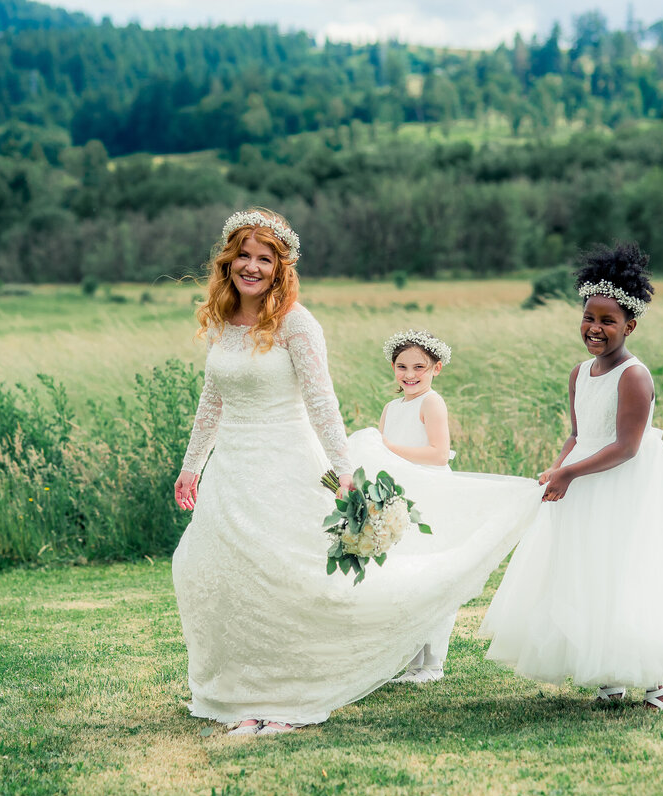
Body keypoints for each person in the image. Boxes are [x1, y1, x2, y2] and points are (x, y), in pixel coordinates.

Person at [171, 209, 542, 736]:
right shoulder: (222, 321)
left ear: (280, 268)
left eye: (265, 259)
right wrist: (192, 469)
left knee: (284, 576)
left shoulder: (296, 323)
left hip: (287, 463)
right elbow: (212, 401)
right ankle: (239, 693)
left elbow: (322, 401)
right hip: (232, 467)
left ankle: (286, 697)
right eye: (244, 256)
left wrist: (343, 471)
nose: (252, 267)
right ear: (228, 261)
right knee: (215, 573)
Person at [479, 242, 663, 710]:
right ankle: (607, 672)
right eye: (589, 317)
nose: (595, 329)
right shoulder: (579, 373)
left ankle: (657, 682)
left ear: (630, 325)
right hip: (583, 480)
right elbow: (580, 433)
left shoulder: (634, 376)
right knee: (586, 572)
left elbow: (625, 446)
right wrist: (557, 468)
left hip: (626, 485)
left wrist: (571, 473)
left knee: (627, 571)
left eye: (608, 321)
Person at [347, 330, 540, 685]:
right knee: (407, 578)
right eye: (402, 366)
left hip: (431, 496)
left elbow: (436, 454)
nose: (410, 374)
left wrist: (385, 447)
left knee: (434, 573)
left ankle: (432, 663)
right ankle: (412, 662)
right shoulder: (391, 409)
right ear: (393, 368)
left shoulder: (431, 402)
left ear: (436, 368)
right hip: (399, 498)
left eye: (419, 367)